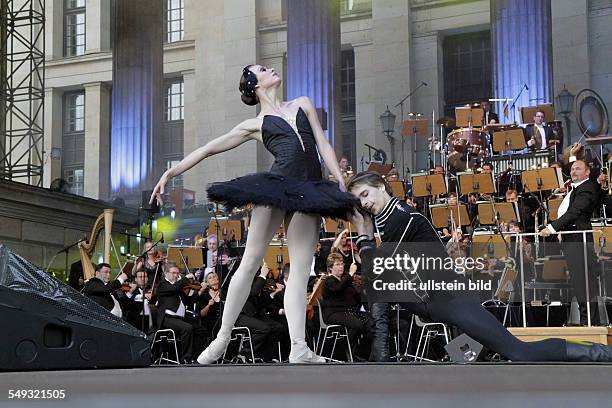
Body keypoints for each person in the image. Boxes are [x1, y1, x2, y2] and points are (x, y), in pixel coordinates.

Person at [150, 64, 356, 364]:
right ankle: (221, 339)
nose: (270, 68)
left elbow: (322, 143)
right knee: (249, 262)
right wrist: (171, 172)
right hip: (276, 188)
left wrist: (338, 177)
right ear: (254, 84)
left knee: (300, 270)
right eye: (262, 69)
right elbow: (209, 148)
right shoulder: (255, 124)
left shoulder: (303, 103)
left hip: (310, 190)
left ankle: (298, 347)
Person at [347, 171, 612, 361]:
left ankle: (600, 353)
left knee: (519, 352)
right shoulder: (385, 217)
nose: (365, 201)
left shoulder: (400, 218)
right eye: (359, 199)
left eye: (366, 193)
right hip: (433, 301)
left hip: (453, 299)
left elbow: (375, 266)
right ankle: (388, 349)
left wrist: (362, 232)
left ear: (382, 186)